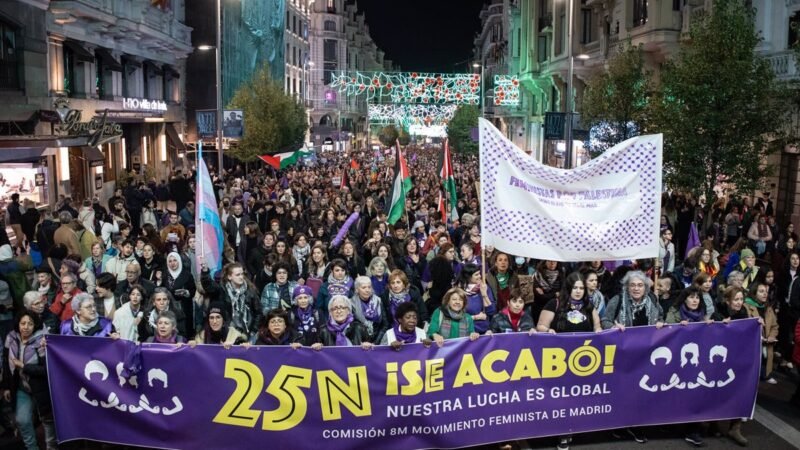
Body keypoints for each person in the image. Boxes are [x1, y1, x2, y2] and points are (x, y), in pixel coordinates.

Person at [2, 312, 56, 450]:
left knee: (48, 421)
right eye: (23, 323)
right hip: (21, 387)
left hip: (42, 388)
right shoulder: (11, 338)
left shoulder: (42, 341)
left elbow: (47, 370)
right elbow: (6, 363)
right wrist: (7, 386)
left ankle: (51, 447)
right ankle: (32, 447)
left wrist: (24, 367)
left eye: (30, 324)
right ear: (18, 324)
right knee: (22, 420)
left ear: (35, 325)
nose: (26, 327)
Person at [201, 262, 261, 338]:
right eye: (237, 275)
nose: (241, 277)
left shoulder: (251, 292)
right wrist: (205, 272)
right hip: (226, 332)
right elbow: (209, 286)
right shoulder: (222, 290)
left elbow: (258, 313)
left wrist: (253, 331)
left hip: (246, 333)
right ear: (229, 277)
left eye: (242, 274)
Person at [744, 280, 779, 384]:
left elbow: (775, 326)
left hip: (767, 343)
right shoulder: (746, 306)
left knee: (765, 360)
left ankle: (765, 375)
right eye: (761, 291)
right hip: (752, 344)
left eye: (766, 292)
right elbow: (746, 327)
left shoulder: (768, 308)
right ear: (754, 293)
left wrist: (772, 336)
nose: (765, 294)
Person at [457, 264, 496, 335]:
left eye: (479, 273)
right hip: (467, 331)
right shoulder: (459, 292)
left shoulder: (485, 288)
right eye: (476, 274)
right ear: (468, 277)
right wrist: (476, 317)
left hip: (485, 330)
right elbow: (457, 316)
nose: (480, 276)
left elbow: (491, 311)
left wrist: (484, 295)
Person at [350, 276, 387, 343]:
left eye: (369, 287)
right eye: (364, 287)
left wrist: (375, 343)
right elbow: (352, 327)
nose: (367, 290)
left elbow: (385, 325)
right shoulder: (351, 303)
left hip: (377, 340)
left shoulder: (378, 301)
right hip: (359, 341)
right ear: (357, 290)